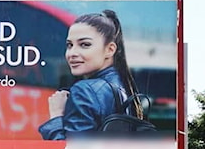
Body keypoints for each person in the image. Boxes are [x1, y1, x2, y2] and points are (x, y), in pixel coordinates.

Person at [38, 9, 144, 140]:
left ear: (110, 50)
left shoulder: (84, 90)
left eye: (84, 44)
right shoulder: (124, 84)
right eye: (69, 45)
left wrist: (56, 117)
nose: (72, 53)